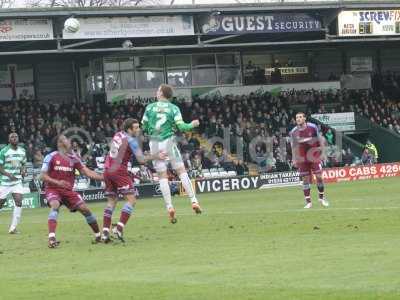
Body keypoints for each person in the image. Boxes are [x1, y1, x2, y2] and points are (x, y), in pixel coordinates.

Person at [141, 84, 201, 224]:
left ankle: (170, 207)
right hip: (169, 142)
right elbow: (181, 126)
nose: (156, 92)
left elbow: (143, 126)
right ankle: (193, 201)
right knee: (181, 171)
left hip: (154, 143)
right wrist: (192, 124)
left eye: (157, 90)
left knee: (162, 176)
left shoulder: (149, 108)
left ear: (162, 93)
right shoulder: (174, 108)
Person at [102, 118, 166, 243]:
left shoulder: (117, 135)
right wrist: (156, 156)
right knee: (131, 200)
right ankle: (119, 228)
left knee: (111, 201)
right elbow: (141, 160)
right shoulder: (132, 141)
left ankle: (105, 232)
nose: (138, 130)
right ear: (129, 129)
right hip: (119, 171)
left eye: (138, 127)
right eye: (135, 128)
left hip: (107, 170)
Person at [40, 134, 104, 248]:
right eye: (65, 139)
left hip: (68, 191)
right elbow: (43, 176)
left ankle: (98, 236)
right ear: (59, 143)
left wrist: (104, 177)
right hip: (53, 189)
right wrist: (58, 182)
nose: (68, 140)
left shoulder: (74, 158)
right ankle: (51, 238)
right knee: (54, 205)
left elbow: (87, 172)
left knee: (85, 210)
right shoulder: (51, 156)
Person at [289, 112, 329, 209]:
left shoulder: (313, 127)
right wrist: (294, 158)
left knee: (319, 177)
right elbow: (293, 146)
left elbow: (320, 140)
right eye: (297, 117)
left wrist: (323, 153)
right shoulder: (293, 131)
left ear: (304, 118)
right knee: (305, 180)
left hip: (314, 156)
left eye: (300, 117)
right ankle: (308, 202)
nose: (298, 119)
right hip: (302, 159)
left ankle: (322, 198)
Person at [0, 133, 27, 234]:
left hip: (17, 182)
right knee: (0, 204)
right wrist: (8, 175)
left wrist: (24, 171)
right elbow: (0, 167)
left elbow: (23, 164)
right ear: (9, 140)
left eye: (16, 137)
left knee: (19, 201)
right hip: (4, 183)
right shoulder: (4, 151)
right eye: (12, 137)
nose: (15, 138)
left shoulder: (22, 151)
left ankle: (13, 228)